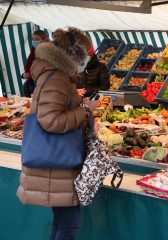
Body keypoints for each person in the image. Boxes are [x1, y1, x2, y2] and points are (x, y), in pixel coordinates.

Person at [16, 28, 98, 240]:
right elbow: (50, 120)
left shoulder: (52, 74)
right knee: (70, 225)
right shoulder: (57, 79)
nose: (89, 57)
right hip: (58, 164)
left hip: (57, 164)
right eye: (87, 53)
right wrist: (85, 110)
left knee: (63, 223)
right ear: (75, 54)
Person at [22, 30, 49, 97]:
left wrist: (33, 74)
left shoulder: (48, 52)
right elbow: (29, 66)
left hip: (43, 85)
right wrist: (23, 75)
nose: (34, 41)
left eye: (37, 39)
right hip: (32, 83)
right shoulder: (33, 51)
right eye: (33, 39)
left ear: (45, 39)